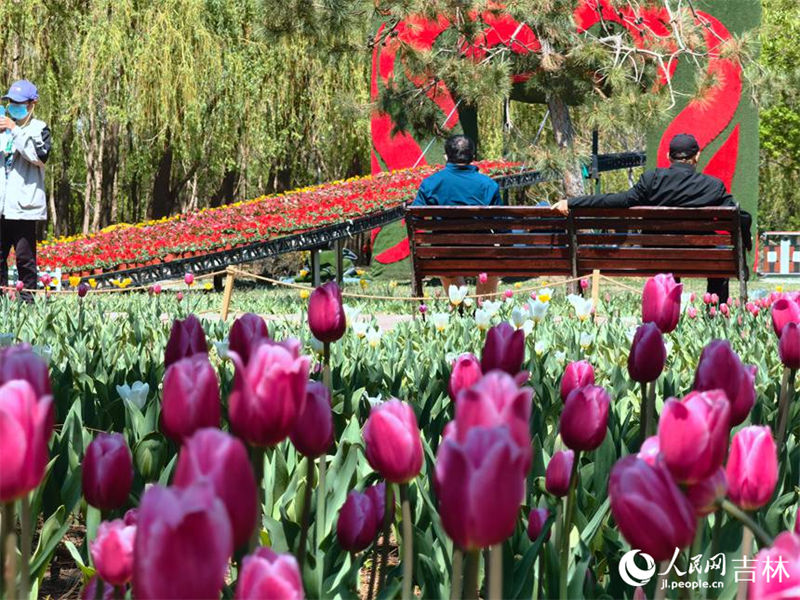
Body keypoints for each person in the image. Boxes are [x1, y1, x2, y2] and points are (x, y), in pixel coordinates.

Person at [553, 133, 751, 303]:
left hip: (657, 256)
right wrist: (747, 241)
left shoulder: (652, 180)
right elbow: (740, 216)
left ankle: (664, 312)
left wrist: (573, 202)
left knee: (685, 257)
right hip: (701, 256)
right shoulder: (712, 186)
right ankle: (714, 314)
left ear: (668, 156)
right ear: (697, 156)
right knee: (720, 260)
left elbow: (617, 200)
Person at [412, 134, 502, 295]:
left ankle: (460, 305)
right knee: (490, 262)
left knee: (444, 255)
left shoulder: (430, 184)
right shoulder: (489, 185)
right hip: (481, 254)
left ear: (446, 157)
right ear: (473, 157)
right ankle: (485, 311)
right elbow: (502, 226)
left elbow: (415, 218)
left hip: (445, 254)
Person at [0, 80, 51, 303]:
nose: (14, 106)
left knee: (25, 259)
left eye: (19, 103)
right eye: (11, 102)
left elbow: (39, 157)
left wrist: (15, 130)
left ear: (32, 103)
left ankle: (28, 304)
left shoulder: (39, 128)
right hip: (2, 208)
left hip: (24, 209)